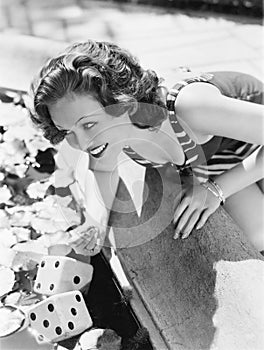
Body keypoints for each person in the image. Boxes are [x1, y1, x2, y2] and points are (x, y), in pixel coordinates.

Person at [30, 40, 264, 255]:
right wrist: (95, 224)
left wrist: (216, 190)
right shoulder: (107, 132)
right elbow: (103, 170)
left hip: (253, 141)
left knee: (260, 236)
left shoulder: (190, 108)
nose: (82, 144)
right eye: (67, 131)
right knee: (254, 235)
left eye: (89, 124)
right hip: (215, 156)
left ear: (122, 102)